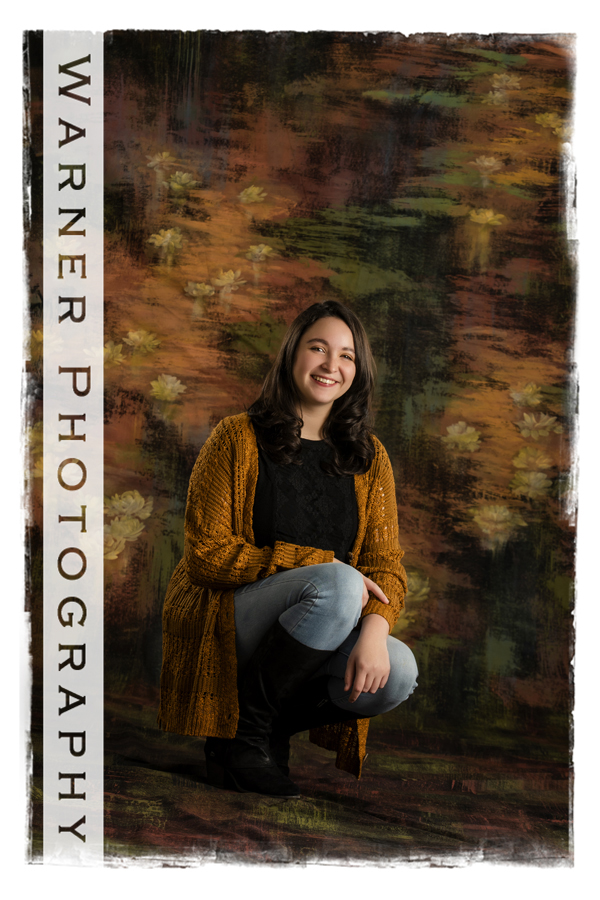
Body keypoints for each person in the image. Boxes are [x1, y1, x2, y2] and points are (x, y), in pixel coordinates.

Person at [157, 300, 418, 798]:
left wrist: (376, 630)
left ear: (356, 373)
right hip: (228, 618)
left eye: (346, 356)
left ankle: (248, 735)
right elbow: (207, 556)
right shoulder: (237, 437)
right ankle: (247, 741)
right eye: (317, 348)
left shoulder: (369, 457)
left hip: (318, 626)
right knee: (339, 581)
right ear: (292, 354)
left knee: (399, 672)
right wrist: (320, 564)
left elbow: (386, 567)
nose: (330, 366)